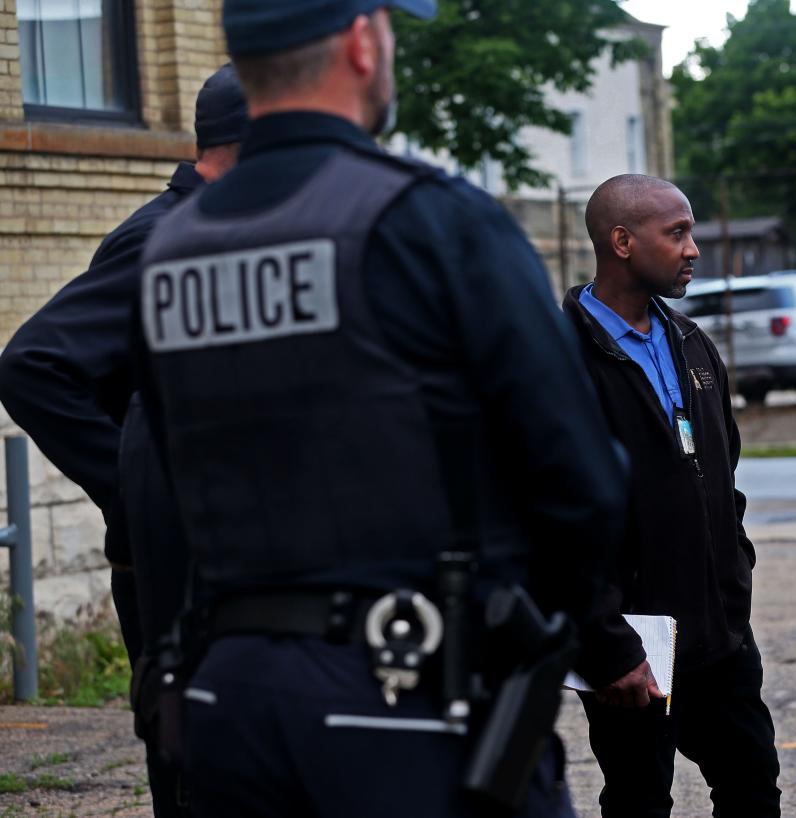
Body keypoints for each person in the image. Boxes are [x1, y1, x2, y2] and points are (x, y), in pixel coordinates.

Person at [131, 0, 627, 815]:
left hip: (230, 706)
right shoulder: (433, 220)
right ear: (363, 43)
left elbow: (167, 477)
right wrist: (520, 631)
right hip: (410, 704)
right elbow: (585, 486)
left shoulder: (168, 250)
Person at [0, 63, 248, 817]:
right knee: (198, 777)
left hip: (232, 568)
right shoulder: (165, 235)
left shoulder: (235, 234)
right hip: (175, 575)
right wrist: (142, 491)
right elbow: (32, 366)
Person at [561, 174, 781, 818]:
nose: (694, 249)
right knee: (638, 799)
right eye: (677, 233)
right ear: (622, 241)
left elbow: (723, 471)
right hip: (629, 644)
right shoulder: (558, 358)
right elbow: (553, 520)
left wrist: (734, 574)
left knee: (751, 787)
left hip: (718, 632)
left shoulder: (692, 342)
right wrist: (604, 642)